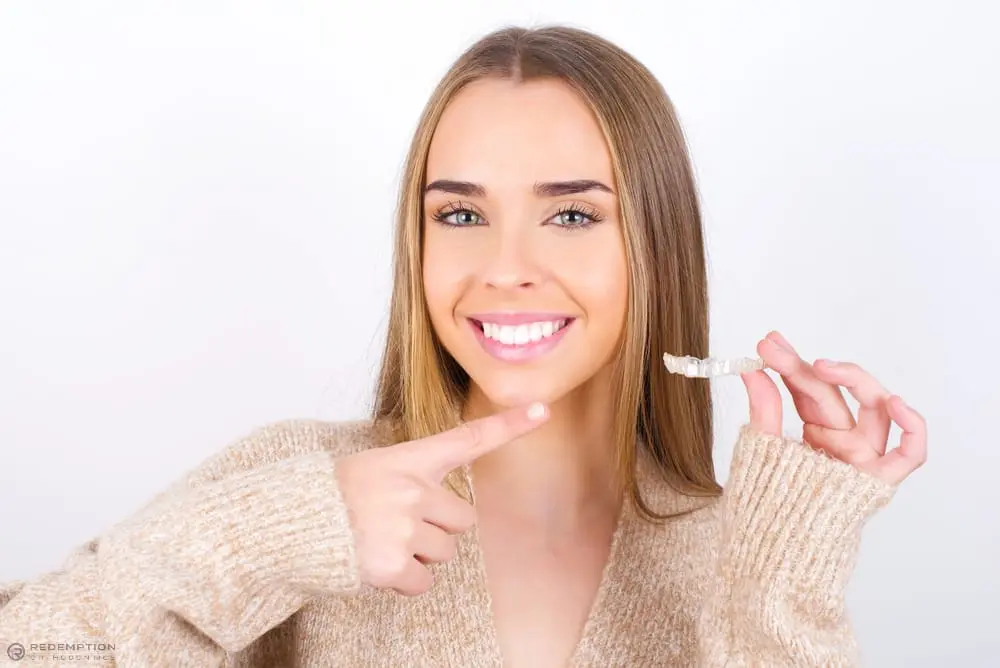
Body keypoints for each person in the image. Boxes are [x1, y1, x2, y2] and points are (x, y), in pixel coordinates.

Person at [0, 24, 926, 668]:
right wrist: (272, 540)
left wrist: (788, 562)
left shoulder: (730, 550)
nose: (505, 266)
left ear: (657, 244)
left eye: (570, 214)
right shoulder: (305, 486)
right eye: (460, 213)